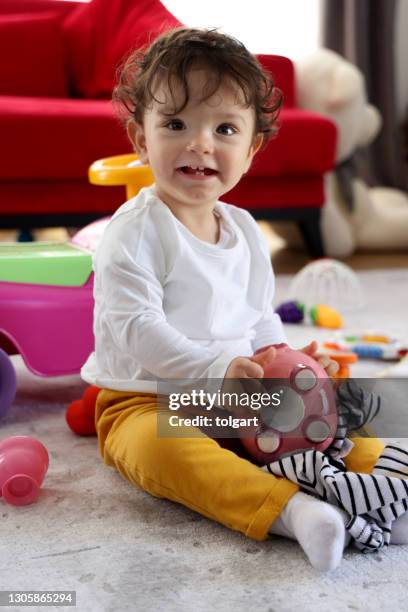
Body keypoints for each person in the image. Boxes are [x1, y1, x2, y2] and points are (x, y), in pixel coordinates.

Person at [81, 28, 403, 571]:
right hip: (148, 398)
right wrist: (216, 372)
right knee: (163, 452)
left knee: (338, 421)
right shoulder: (134, 229)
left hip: (238, 391)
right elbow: (137, 328)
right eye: (176, 124)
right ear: (141, 139)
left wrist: (286, 362)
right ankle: (292, 511)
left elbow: (258, 318)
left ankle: (389, 491)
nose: (200, 144)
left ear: (251, 149)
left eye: (224, 128)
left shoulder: (246, 229)